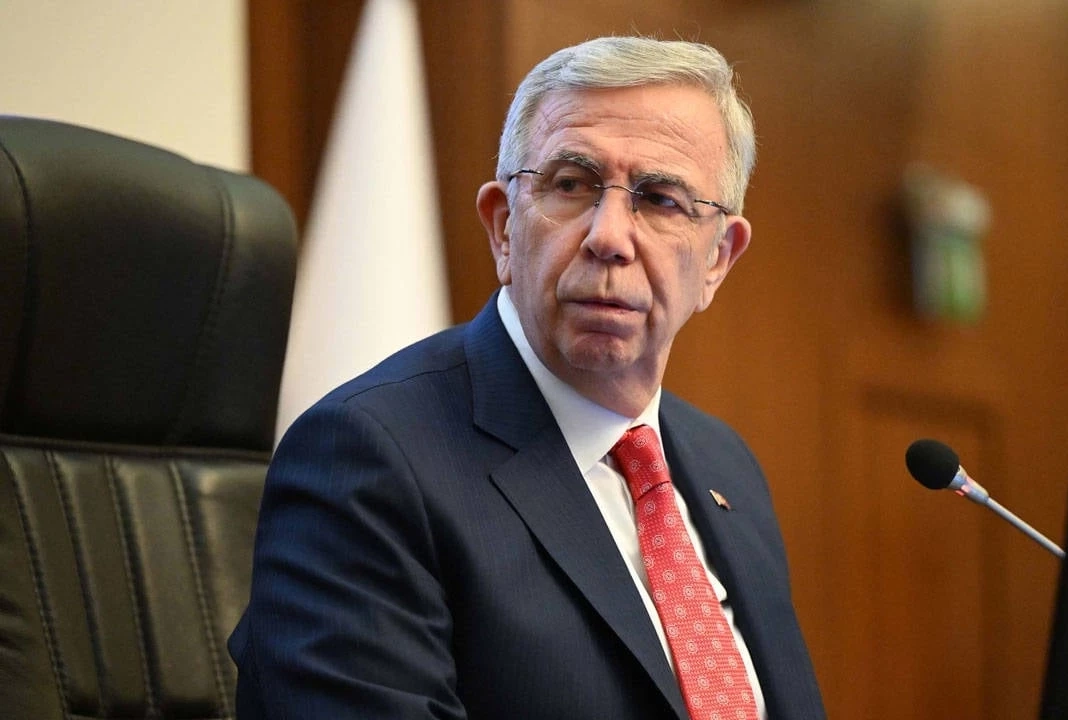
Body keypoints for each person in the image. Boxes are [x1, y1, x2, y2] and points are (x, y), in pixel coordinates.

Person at [229, 35, 825, 720]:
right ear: (503, 229)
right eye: (571, 185)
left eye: (661, 199)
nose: (609, 237)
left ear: (718, 258)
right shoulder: (368, 459)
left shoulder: (727, 465)